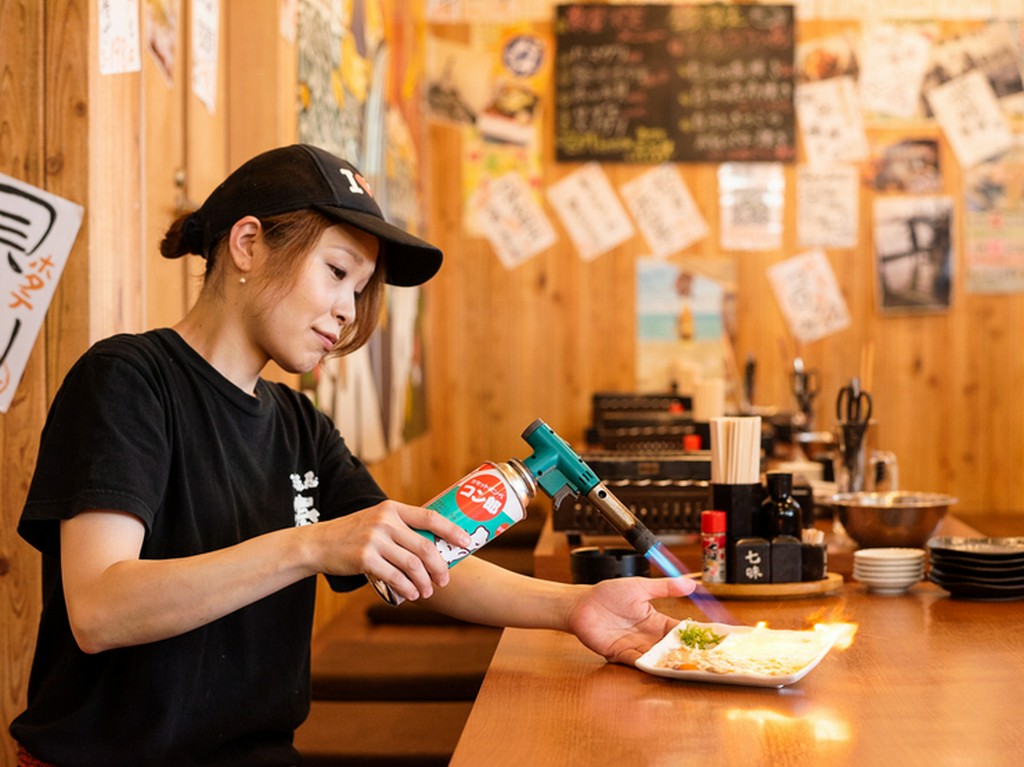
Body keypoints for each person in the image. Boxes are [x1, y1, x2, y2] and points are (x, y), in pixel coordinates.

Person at [9, 144, 695, 766]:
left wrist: (574, 608)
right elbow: (100, 609)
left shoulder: (297, 422)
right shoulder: (128, 380)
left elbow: (419, 555)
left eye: (361, 288)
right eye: (336, 271)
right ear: (247, 242)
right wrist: (311, 545)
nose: (347, 308)